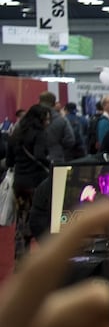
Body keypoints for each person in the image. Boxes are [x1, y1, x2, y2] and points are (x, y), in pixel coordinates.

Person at [5, 104, 51, 258]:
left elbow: (10, 161)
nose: (48, 121)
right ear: (40, 118)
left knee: (21, 221)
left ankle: (21, 259)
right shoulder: (40, 134)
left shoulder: (15, 133)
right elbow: (39, 156)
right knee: (40, 222)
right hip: (37, 182)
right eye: (46, 118)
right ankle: (44, 259)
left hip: (19, 183)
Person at [38, 91, 77, 164]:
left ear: (39, 101)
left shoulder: (31, 118)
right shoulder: (62, 120)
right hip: (56, 159)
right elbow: (70, 140)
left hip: (35, 160)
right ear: (53, 103)